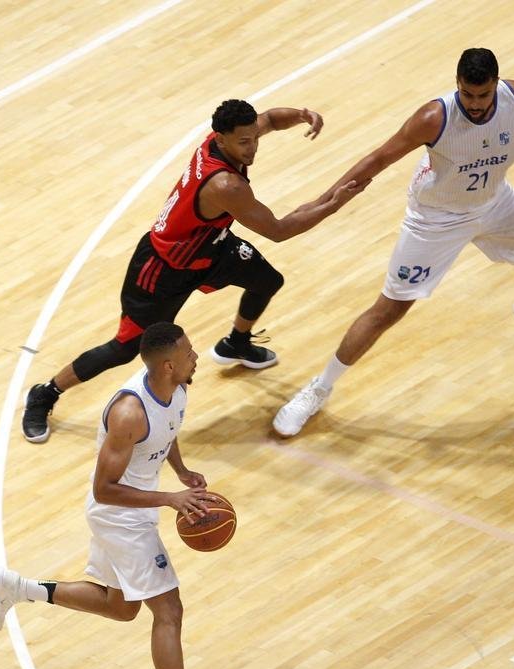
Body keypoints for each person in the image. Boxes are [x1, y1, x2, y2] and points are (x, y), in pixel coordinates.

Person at [272, 47, 514, 437]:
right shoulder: (434, 117)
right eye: (466, 95)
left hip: (495, 201)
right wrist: (327, 201)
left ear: (496, 85)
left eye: (482, 95)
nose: (474, 104)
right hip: (436, 218)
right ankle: (317, 389)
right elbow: (379, 159)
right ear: (457, 86)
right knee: (389, 311)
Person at [22, 99, 363, 443]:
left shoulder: (226, 139)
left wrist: (302, 114)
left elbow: (271, 119)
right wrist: (333, 204)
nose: (252, 147)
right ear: (221, 138)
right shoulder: (225, 185)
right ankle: (45, 393)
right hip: (163, 269)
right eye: (244, 142)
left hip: (211, 249)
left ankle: (237, 343)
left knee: (267, 281)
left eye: (253, 139)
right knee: (125, 348)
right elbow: (279, 230)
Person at [0, 322, 234, 669]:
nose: (195, 356)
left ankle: (19, 588)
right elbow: (104, 489)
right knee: (169, 610)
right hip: (118, 515)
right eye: (189, 351)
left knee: (120, 607)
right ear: (166, 364)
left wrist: (179, 471)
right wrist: (170, 498)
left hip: (134, 510)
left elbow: (168, 432)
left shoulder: (178, 387)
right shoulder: (129, 412)